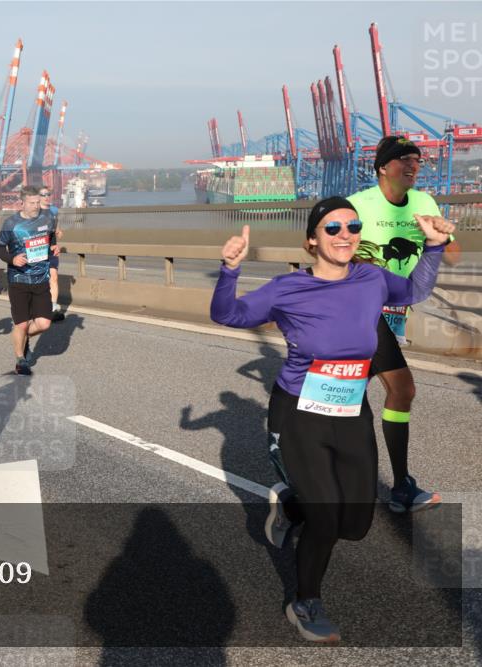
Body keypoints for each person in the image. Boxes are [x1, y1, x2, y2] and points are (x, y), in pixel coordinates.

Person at [211, 198, 453, 642]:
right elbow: (228, 314)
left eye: (353, 226)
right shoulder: (287, 288)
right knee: (325, 519)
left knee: (355, 524)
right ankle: (305, 601)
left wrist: (434, 247)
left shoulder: (371, 278)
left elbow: (413, 292)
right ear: (311, 240)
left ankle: (290, 505)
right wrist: (229, 270)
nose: (346, 235)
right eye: (333, 228)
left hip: (351, 411)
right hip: (300, 413)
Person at [346, 136, 460, 512]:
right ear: (382, 166)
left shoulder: (424, 202)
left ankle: (305, 468)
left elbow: (452, 255)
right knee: (401, 388)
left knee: (346, 395)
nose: (413, 165)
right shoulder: (357, 204)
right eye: (403, 159)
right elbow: (322, 245)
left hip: (397, 309)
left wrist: (440, 236)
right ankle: (399, 488)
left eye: (417, 159)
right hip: (361, 308)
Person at [0, 185, 58, 375]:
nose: (36, 206)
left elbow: (50, 237)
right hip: (19, 279)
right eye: (32, 203)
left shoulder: (47, 219)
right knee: (21, 323)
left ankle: (22, 337)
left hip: (41, 279)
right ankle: (20, 360)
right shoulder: (11, 223)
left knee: (44, 324)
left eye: (38, 202)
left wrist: (53, 247)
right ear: (22, 203)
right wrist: (12, 259)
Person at [39, 186, 66, 319]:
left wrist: (59, 233)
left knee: (53, 277)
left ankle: (53, 306)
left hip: (52, 250)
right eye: (43, 194)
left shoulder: (54, 210)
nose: (46, 197)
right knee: (40, 279)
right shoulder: (35, 212)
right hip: (39, 250)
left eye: (48, 194)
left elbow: (57, 229)